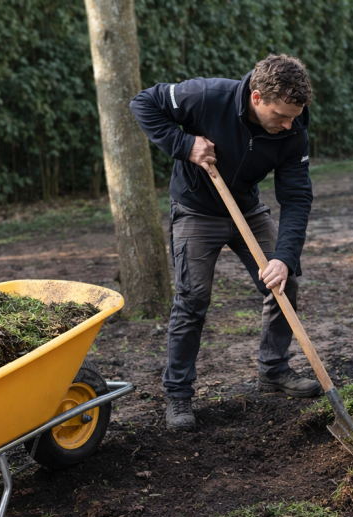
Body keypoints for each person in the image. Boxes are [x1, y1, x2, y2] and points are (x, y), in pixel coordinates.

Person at [130, 54, 321, 432]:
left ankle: (273, 370)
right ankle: (178, 392)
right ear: (256, 97)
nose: (288, 125)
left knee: (284, 281)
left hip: (247, 210)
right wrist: (184, 144)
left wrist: (284, 258)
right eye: (281, 116)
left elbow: (297, 197)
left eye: (294, 117)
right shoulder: (206, 96)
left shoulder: (294, 127)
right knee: (193, 298)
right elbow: (144, 102)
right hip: (196, 210)